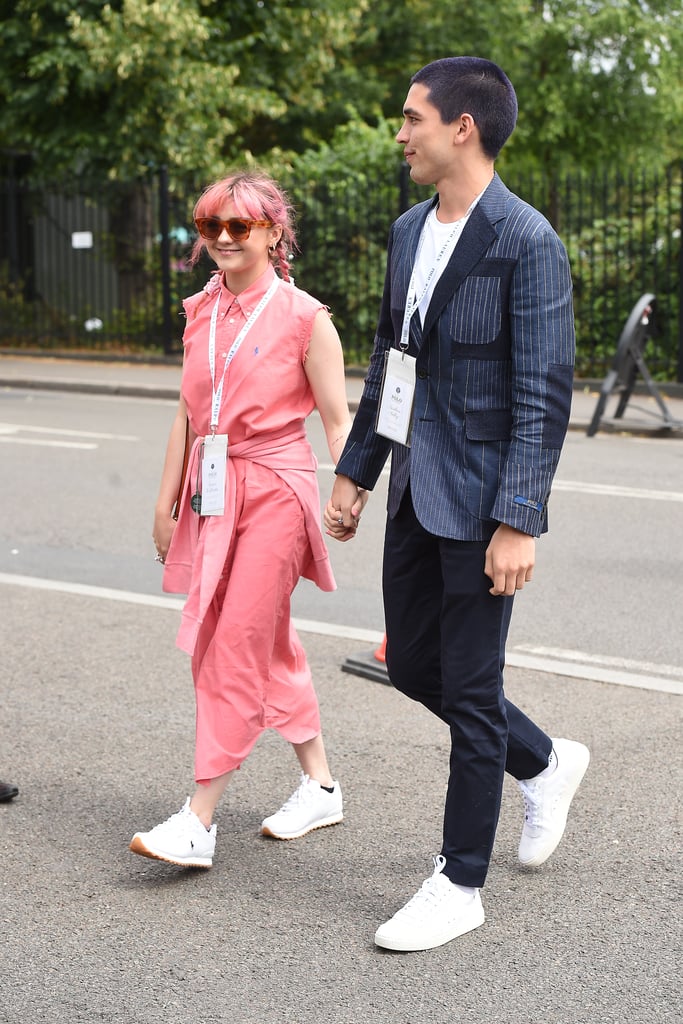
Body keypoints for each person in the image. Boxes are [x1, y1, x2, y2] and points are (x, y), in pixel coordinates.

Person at [325, 56, 590, 952]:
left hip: (482, 504)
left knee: (471, 690)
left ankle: (458, 882)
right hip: (413, 488)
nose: (399, 133)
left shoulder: (524, 239)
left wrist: (518, 518)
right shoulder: (408, 229)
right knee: (412, 667)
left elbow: (542, 395)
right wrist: (357, 470)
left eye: (411, 118)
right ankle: (545, 762)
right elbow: (389, 359)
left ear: (460, 128)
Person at [130, 171, 352, 868]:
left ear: (273, 233)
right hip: (215, 487)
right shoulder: (200, 309)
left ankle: (199, 819)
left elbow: (338, 419)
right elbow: (189, 414)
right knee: (268, 637)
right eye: (210, 227)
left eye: (239, 227)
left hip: (277, 490)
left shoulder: (305, 317)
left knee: (231, 641)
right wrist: (166, 501)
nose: (223, 239)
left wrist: (347, 490)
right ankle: (319, 784)